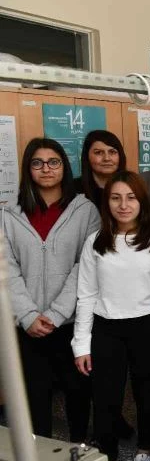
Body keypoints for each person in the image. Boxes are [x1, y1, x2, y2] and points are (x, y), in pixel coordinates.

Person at [72, 171, 150, 461]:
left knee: (147, 395)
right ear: (107, 203)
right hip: (106, 329)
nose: (123, 205)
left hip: (148, 326)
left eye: (131, 197)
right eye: (116, 198)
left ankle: (144, 454)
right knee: (106, 399)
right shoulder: (95, 242)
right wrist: (81, 344)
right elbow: (86, 294)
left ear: (141, 201)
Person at [2, 138, 98, 442]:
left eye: (53, 162)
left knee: (77, 392)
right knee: (35, 395)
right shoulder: (9, 214)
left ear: (64, 167)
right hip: (27, 325)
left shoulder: (85, 210)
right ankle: (40, 458)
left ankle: (78, 449)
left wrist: (56, 314)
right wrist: (28, 315)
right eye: (37, 163)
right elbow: (7, 269)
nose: (46, 169)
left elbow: (85, 266)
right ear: (28, 169)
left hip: (70, 323)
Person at [75, 130, 127, 208]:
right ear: (87, 157)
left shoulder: (131, 187)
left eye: (112, 152)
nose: (107, 158)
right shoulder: (73, 190)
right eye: (98, 152)